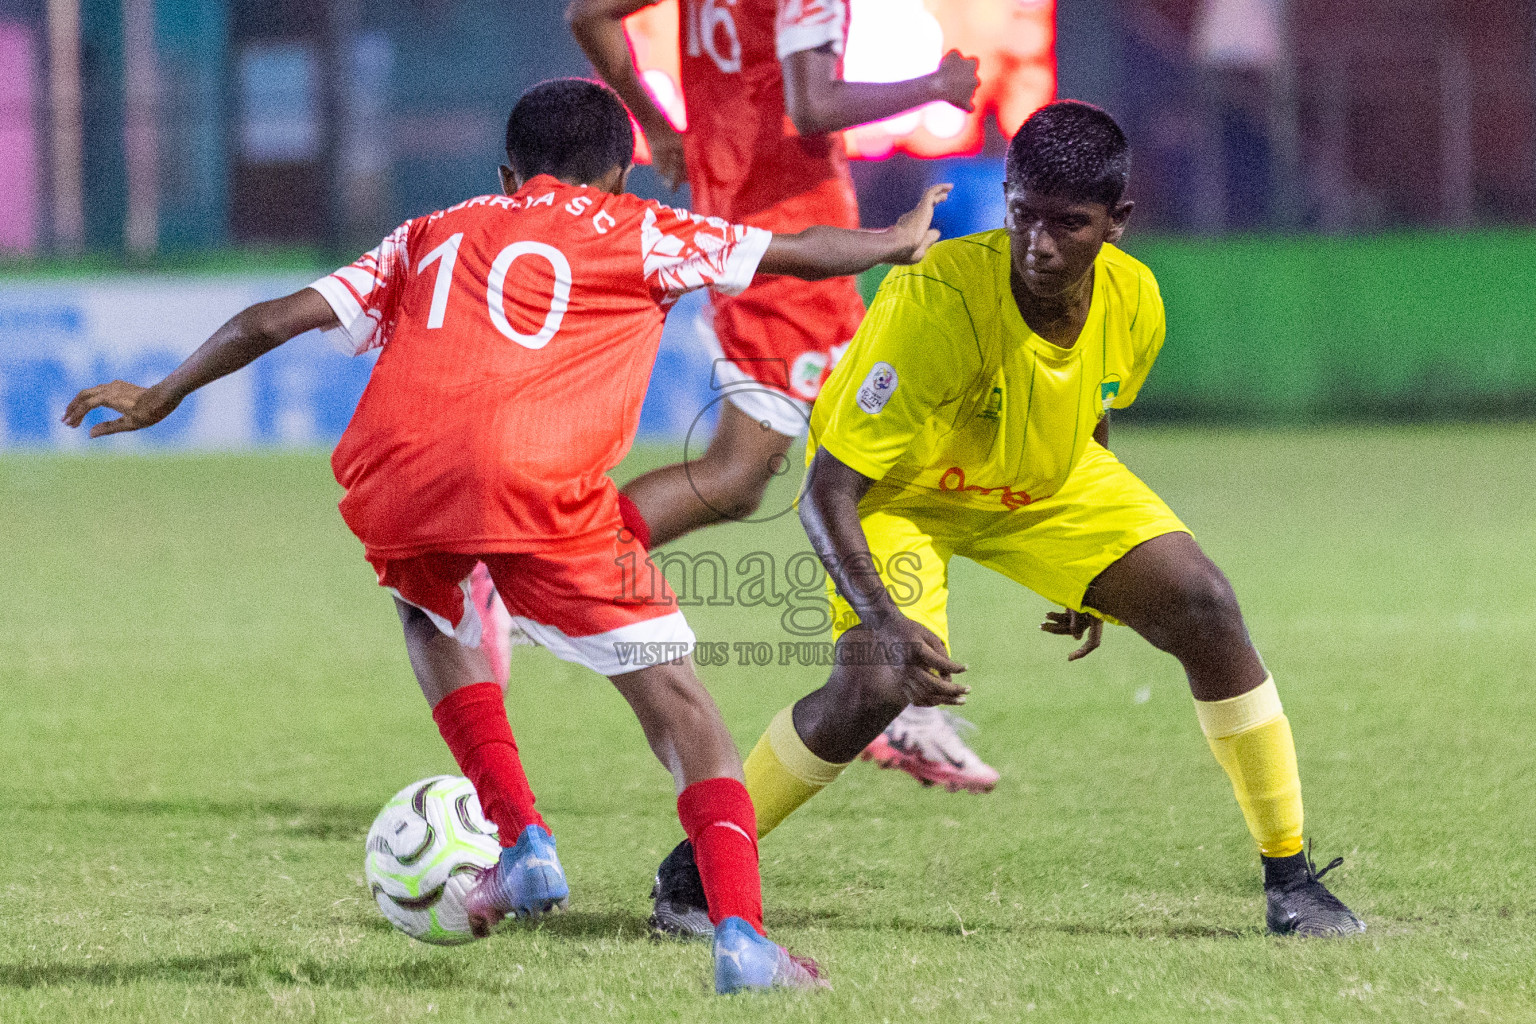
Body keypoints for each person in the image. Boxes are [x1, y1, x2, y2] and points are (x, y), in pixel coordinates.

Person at [62, 78, 953, 992]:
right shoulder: (642, 228)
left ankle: (523, 840)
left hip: (398, 473)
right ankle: (740, 941)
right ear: (618, 172)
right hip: (542, 493)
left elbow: (270, 319)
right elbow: (798, 252)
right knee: (685, 713)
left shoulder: (429, 231)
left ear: (505, 171)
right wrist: (894, 239)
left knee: (425, 611)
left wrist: (160, 392)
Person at [649, 100, 1366, 939]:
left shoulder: (1135, 301)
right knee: (876, 684)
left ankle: (1292, 880)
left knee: (1206, 607)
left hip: (1041, 486)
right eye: (1024, 215)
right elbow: (828, 490)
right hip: (898, 496)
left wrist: (1095, 574)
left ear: (1117, 223)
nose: (1041, 244)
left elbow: (1092, 418)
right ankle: (693, 873)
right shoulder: (937, 299)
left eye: (1070, 223)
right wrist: (885, 620)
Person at [564, 0, 1000, 812]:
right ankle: (549, 563)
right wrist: (934, 83)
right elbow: (811, 104)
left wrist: (660, 128)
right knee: (775, 472)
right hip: (790, 239)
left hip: (766, 225)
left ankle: (885, 692)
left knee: (837, 467)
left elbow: (589, 14)